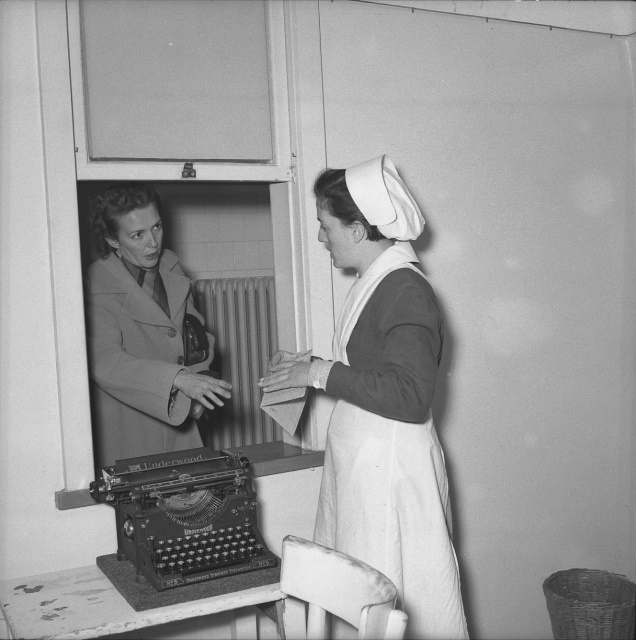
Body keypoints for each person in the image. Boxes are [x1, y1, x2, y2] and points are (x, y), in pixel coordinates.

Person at [258, 156, 468, 639]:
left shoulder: (405, 290)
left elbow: (410, 394)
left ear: (357, 229)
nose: (320, 237)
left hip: (389, 479)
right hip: (367, 471)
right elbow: (375, 367)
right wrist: (307, 368)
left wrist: (321, 373)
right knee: (357, 600)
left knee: (385, 604)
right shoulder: (377, 281)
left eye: (325, 225)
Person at [85, 182, 232, 469]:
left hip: (182, 417)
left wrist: (199, 389)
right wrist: (178, 380)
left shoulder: (171, 268)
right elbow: (105, 361)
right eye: (137, 235)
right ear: (113, 240)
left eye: (157, 227)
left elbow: (195, 336)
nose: (153, 243)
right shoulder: (96, 287)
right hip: (130, 423)